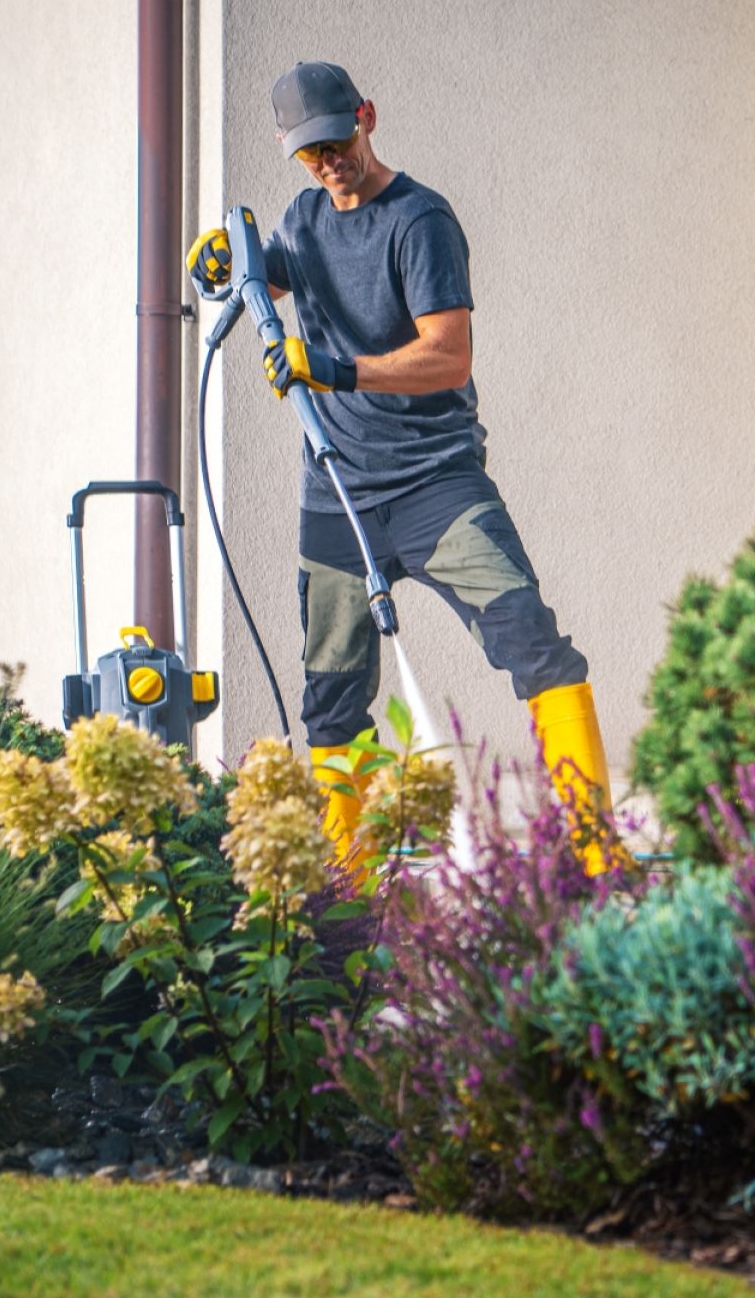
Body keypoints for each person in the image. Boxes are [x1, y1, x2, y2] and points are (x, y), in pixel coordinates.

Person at [185, 60, 610, 870]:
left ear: (367, 117)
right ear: (290, 151)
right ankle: (348, 889)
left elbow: (448, 356)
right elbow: (270, 271)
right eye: (309, 153)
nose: (328, 162)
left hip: (435, 485)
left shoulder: (421, 221)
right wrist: (224, 264)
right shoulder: (303, 218)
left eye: (337, 141)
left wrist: (335, 369)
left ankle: (594, 857)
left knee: (534, 644)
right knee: (332, 699)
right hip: (338, 493)